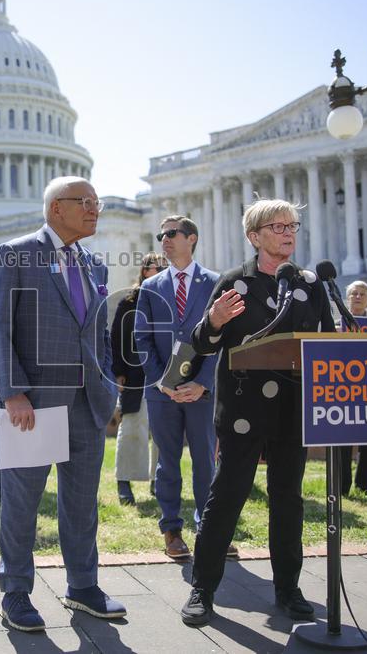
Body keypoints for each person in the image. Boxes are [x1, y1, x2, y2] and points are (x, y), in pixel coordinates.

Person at [180, 199, 335, 626]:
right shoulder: (235, 282)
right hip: (243, 411)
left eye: (292, 225)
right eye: (278, 226)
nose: (288, 232)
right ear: (255, 236)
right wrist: (213, 320)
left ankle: (287, 588)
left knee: (288, 500)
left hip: (292, 411)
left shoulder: (308, 285)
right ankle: (202, 588)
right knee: (226, 497)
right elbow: (202, 344)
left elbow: (327, 344)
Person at [0, 176, 125, 632]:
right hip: (33, 403)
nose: (94, 210)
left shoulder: (95, 265)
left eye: (97, 203)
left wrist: (106, 387)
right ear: (54, 208)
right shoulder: (16, 254)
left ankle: (83, 586)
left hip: (87, 404)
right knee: (21, 504)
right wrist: (13, 391)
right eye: (85, 202)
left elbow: (98, 334)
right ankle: (16, 593)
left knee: (82, 504)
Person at [135, 216, 236, 560]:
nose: (164, 239)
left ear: (191, 238)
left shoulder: (216, 283)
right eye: (161, 234)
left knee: (206, 462)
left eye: (172, 233)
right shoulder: (150, 288)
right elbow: (141, 339)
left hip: (202, 393)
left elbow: (224, 339)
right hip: (162, 394)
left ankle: (210, 530)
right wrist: (162, 382)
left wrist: (203, 382)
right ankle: (172, 530)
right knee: (168, 462)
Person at [110, 252, 165, 506]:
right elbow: (117, 338)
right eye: (151, 268)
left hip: (164, 374)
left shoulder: (170, 300)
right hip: (134, 375)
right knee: (132, 426)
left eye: (160, 268)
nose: (155, 272)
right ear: (143, 271)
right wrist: (119, 371)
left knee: (163, 430)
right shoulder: (129, 302)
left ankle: (159, 479)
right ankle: (124, 481)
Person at [338, 280, 367, 496]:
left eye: (362, 293)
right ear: (347, 298)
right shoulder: (336, 325)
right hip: (344, 389)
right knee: (343, 441)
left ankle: (366, 486)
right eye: (354, 293)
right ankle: (342, 487)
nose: (357, 297)